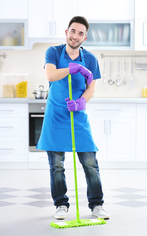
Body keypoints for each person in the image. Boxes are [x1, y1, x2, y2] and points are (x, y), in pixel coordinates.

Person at [37, 16, 109, 220]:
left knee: (90, 162)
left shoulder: (91, 60)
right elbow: (50, 75)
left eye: (80, 33)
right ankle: (61, 205)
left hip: (77, 115)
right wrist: (72, 68)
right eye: (72, 31)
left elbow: (91, 88)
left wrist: (81, 102)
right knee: (57, 165)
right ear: (66, 32)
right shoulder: (54, 52)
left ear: (85, 37)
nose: (75, 36)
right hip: (56, 115)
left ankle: (96, 205)